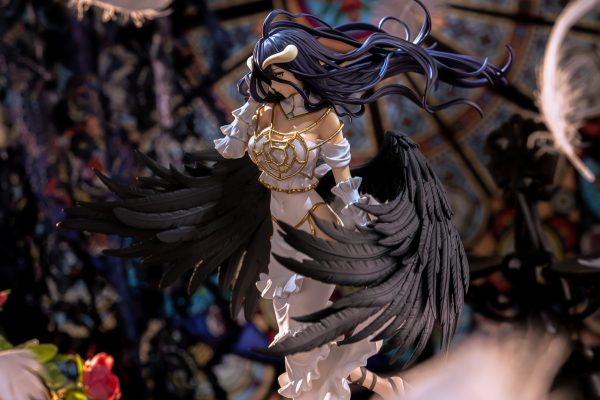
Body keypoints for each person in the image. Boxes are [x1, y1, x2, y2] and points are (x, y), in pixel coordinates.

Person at [59, 4, 512, 400]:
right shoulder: (264, 112)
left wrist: (355, 219)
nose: (272, 80)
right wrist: (243, 118)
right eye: (268, 73)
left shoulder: (324, 119)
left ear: (299, 70)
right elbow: (230, 156)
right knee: (295, 333)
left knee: (301, 334)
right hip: (274, 225)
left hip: (313, 226)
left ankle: (344, 385)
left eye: (277, 72)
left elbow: (342, 180)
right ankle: (371, 384)